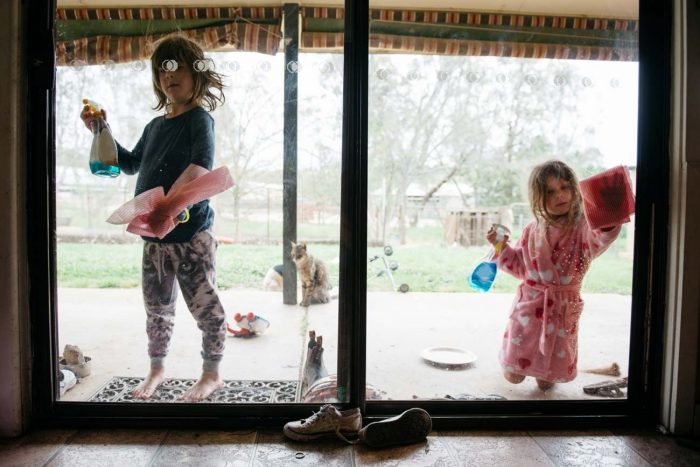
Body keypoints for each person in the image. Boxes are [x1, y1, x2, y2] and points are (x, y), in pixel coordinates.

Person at [80, 35, 227, 401]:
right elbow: (129, 163)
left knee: (205, 307)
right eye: (161, 68)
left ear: (197, 73)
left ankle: (211, 373)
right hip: (154, 237)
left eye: (176, 66)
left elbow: (200, 166)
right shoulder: (155, 126)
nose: (168, 75)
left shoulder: (199, 120)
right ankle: (156, 369)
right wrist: (102, 130)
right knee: (157, 310)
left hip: (191, 235)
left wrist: (169, 208)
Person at [486, 160, 624, 391]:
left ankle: (545, 372)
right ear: (537, 197)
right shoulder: (532, 229)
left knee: (546, 382)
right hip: (529, 309)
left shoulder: (583, 227)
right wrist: (500, 246)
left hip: (561, 310)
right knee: (513, 376)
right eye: (550, 192)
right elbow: (521, 266)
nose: (560, 196)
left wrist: (609, 219)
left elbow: (598, 239)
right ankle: (516, 366)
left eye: (565, 188)